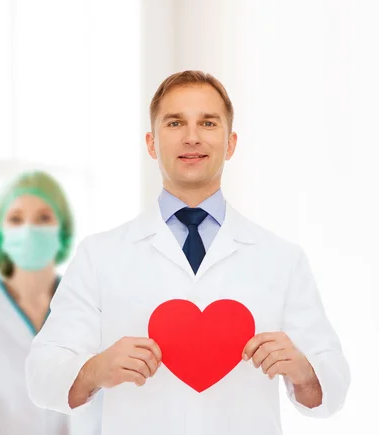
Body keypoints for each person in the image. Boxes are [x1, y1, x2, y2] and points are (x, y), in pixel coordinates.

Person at [25, 71, 350, 434]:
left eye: (208, 123)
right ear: (151, 143)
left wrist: (304, 371)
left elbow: (334, 383)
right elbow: (40, 375)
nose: (192, 136)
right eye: (175, 122)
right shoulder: (99, 256)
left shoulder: (282, 258)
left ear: (230, 144)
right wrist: (96, 369)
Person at [0, 171, 102, 435]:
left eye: (43, 218)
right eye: (16, 219)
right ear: (0, 233)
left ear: (62, 229)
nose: (29, 229)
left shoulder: (89, 304)